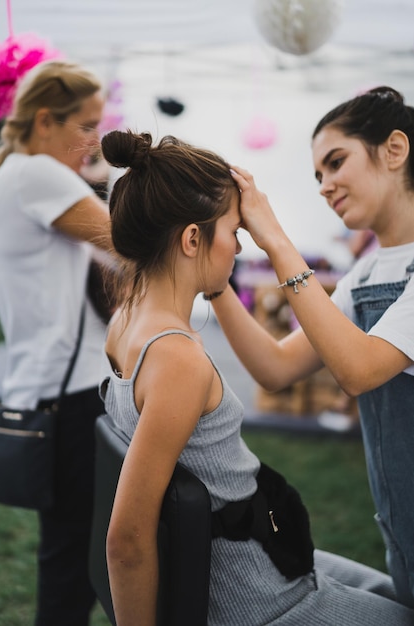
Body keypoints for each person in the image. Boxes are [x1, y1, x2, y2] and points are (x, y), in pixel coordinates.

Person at [99, 127, 414, 625]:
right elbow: (127, 539)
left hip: (254, 557)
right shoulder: (177, 358)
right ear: (191, 238)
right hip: (259, 595)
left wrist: (213, 274)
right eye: (235, 233)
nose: (242, 248)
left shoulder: (125, 324)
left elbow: (274, 367)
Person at [210, 85, 414, 610]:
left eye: (335, 162)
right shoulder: (366, 271)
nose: (324, 185)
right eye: (317, 175)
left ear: (394, 150)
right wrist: (213, 281)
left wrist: (276, 241)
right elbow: (276, 369)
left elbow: (359, 370)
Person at [0, 60, 113, 626]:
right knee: (77, 559)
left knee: (72, 553)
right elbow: (127, 242)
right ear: (46, 120)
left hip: (46, 388)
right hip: (75, 397)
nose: (95, 139)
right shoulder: (39, 176)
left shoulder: (14, 173)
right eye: (87, 125)